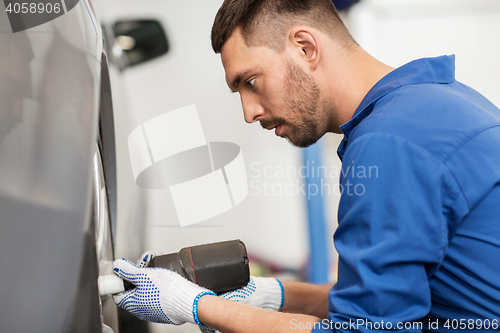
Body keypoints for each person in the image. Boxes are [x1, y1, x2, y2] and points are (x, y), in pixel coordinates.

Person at [112, 0, 500, 332]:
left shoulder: (390, 143)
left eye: (250, 81)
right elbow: (386, 303)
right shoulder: (436, 102)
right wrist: (276, 294)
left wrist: (194, 306)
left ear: (305, 47)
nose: (249, 113)